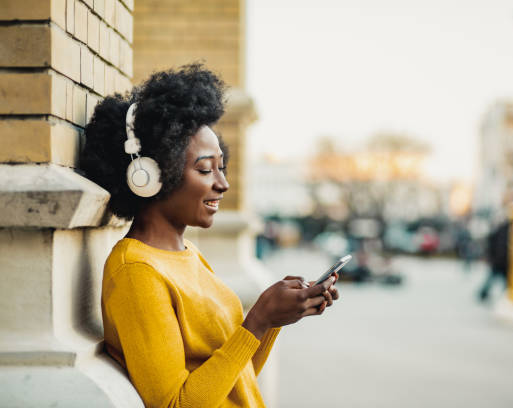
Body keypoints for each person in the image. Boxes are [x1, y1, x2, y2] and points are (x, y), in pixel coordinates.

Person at [80, 63, 339, 408]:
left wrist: (273, 320)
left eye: (222, 166)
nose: (223, 183)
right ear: (149, 174)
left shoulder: (185, 253)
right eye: (205, 169)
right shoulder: (137, 272)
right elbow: (175, 403)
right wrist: (258, 319)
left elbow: (234, 378)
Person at [478, 220, 510, 302]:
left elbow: (490, 244)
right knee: (501, 279)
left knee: (493, 278)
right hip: (501, 261)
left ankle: (483, 293)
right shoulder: (506, 232)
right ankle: (484, 293)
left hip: (498, 260)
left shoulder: (498, 231)